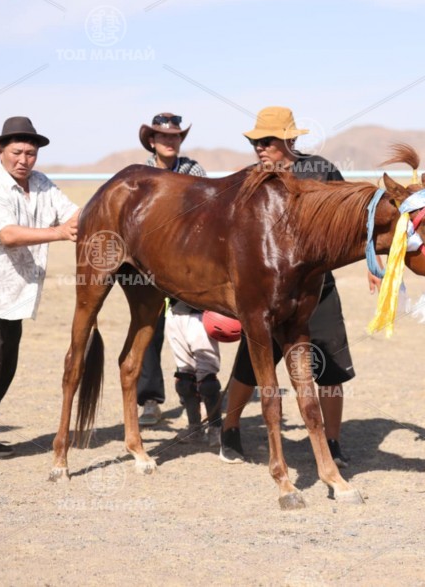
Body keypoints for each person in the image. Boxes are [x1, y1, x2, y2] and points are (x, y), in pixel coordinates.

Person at [220, 106, 356, 467]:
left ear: (289, 140)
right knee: (250, 365)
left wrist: (374, 266)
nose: (259, 147)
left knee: (330, 368)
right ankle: (229, 429)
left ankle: (333, 442)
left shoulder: (321, 171)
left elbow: (348, 221)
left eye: (267, 141)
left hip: (318, 288)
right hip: (267, 292)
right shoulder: (250, 180)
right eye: (256, 141)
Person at [0, 116, 79, 467]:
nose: (24, 160)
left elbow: (72, 214)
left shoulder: (42, 184)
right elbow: (7, 235)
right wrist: (59, 233)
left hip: (16, 298)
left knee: (3, 373)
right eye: (17, 152)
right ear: (0, 151)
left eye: (30, 154)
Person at [135, 113, 223, 447]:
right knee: (148, 330)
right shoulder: (140, 174)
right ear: (152, 141)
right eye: (163, 136)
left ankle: (208, 419)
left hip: (185, 261)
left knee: (195, 331)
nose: (170, 141)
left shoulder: (194, 170)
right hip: (148, 263)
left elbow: (206, 212)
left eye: (175, 136)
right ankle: (150, 400)